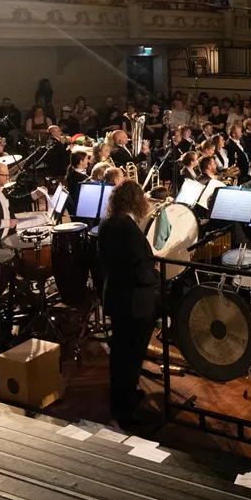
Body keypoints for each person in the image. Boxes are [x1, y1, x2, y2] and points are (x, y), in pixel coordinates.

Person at [97, 180, 160, 426]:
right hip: (134, 302)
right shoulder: (128, 229)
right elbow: (138, 271)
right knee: (131, 354)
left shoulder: (106, 223)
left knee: (120, 353)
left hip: (116, 296)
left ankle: (123, 397)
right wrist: (155, 272)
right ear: (136, 201)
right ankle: (125, 407)